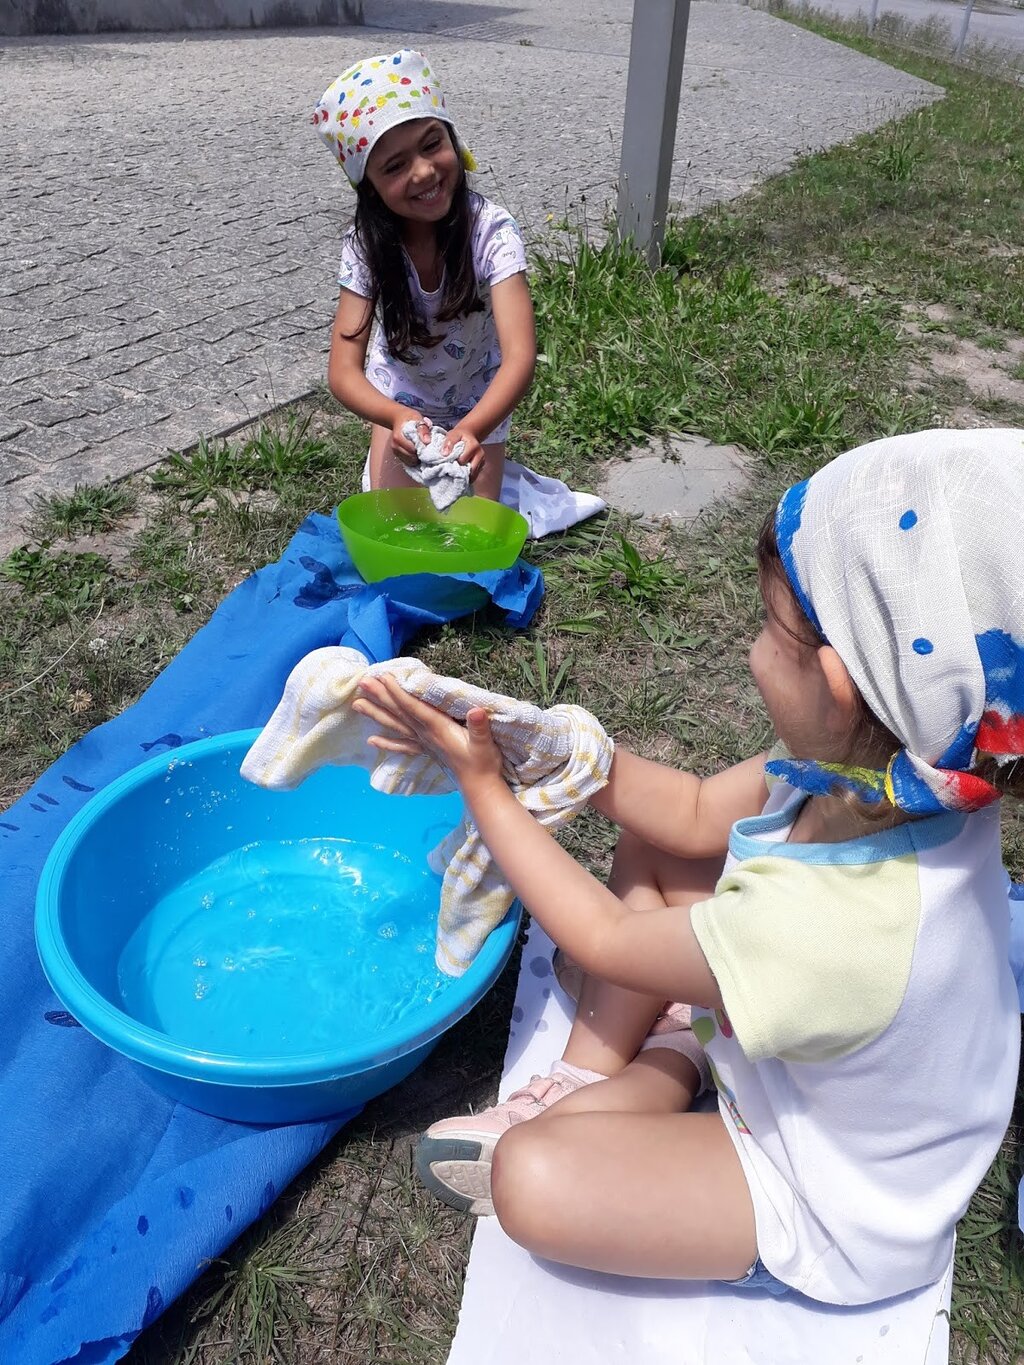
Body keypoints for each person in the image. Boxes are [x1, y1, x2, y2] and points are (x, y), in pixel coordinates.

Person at [352, 428, 1024, 1304]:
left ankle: (676, 1060)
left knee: (531, 1174)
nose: (749, 651)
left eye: (769, 630)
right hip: (823, 1061)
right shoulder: (917, 778)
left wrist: (487, 789)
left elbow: (604, 933)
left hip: (829, 1194)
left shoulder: (838, 925)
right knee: (667, 842)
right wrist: (564, 751)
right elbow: (694, 811)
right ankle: (630, 1063)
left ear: (839, 683)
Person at [312, 49, 536, 502]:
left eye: (432, 144)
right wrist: (395, 418)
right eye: (394, 166)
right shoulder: (366, 247)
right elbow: (342, 371)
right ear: (369, 186)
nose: (424, 171)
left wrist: (473, 429)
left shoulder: (491, 231)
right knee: (399, 519)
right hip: (403, 399)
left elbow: (519, 356)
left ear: (453, 140)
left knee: (468, 530)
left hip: (478, 395)